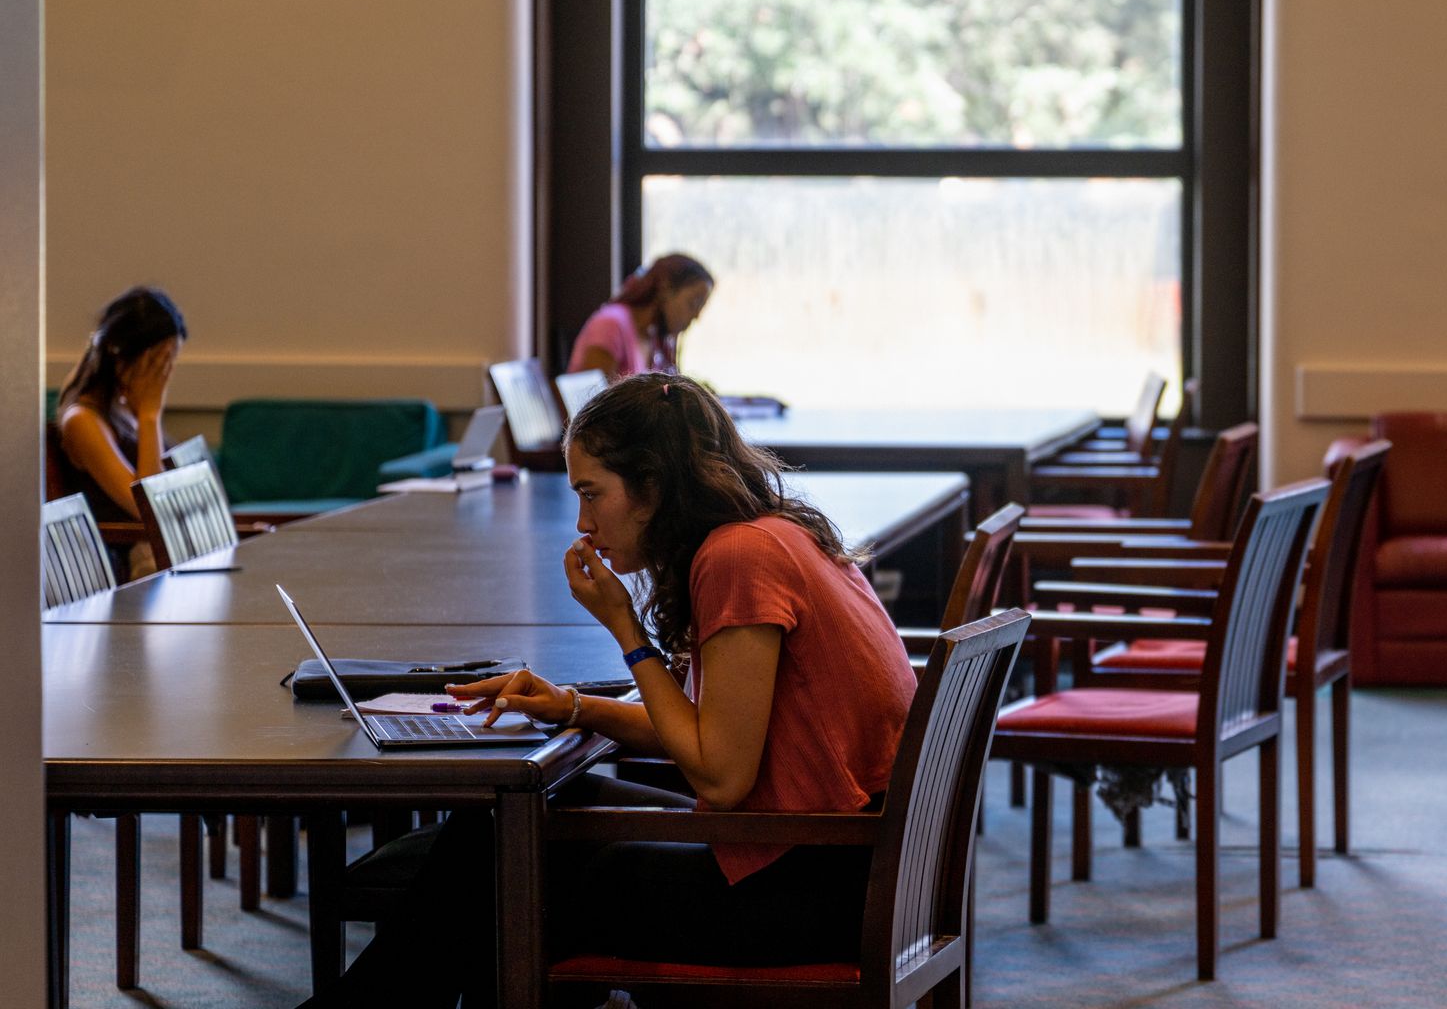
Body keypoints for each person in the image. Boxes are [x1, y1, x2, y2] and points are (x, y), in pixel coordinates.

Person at [301, 372, 915, 1008]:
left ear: (652, 485)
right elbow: (714, 730)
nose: (583, 522)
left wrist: (626, 627)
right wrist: (570, 705)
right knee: (504, 828)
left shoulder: (738, 559)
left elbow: (722, 776)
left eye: (592, 495)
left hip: (808, 886)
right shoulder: (769, 534)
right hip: (837, 859)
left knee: (508, 872)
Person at [54, 286, 188, 578]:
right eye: (158, 362)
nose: (165, 373)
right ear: (122, 355)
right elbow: (149, 509)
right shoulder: (83, 420)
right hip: (132, 568)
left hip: (163, 555)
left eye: (171, 361)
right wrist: (150, 416)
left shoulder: (125, 409)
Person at [567, 253, 714, 380]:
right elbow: (593, 404)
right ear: (665, 288)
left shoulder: (656, 337)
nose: (696, 316)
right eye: (693, 303)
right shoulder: (610, 325)